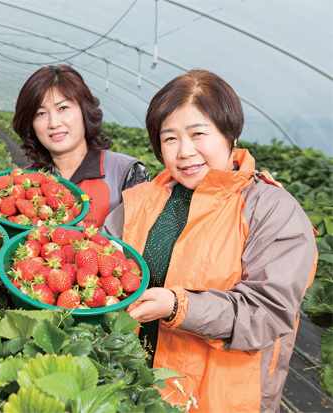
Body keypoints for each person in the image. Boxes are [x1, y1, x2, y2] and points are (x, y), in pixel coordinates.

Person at [101, 69, 317, 412]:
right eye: (170, 138)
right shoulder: (140, 201)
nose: (185, 151)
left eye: (198, 133)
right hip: (134, 388)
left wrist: (176, 307)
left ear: (230, 134)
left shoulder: (273, 210)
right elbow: (102, 269)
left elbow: (266, 314)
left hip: (219, 400)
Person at [12, 64, 149, 227]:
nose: (54, 123)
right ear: (31, 124)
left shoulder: (127, 172)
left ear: (84, 110)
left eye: (63, 108)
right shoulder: (22, 182)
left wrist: (87, 243)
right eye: (41, 113)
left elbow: (139, 244)